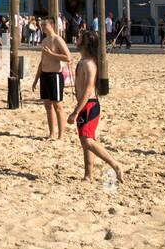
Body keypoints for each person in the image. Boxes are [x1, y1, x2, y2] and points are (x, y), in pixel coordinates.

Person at [68, 30, 123, 183]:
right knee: (86, 141)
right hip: (84, 105)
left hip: (89, 106)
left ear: (85, 43)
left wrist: (76, 111)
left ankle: (115, 164)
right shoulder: (83, 61)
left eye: (79, 38)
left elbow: (88, 89)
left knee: (87, 141)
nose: (76, 39)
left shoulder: (89, 63)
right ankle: (88, 175)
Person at [31, 17, 72, 140]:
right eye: (42, 25)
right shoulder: (44, 41)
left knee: (58, 106)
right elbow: (42, 61)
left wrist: (52, 54)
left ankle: (61, 135)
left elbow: (68, 57)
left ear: (51, 26)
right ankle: (51, 133)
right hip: (44, 74)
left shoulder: (58, 40)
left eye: (45, 25)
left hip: (55, 75)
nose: (42, 27)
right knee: (47, 105)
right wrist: (36, 79)